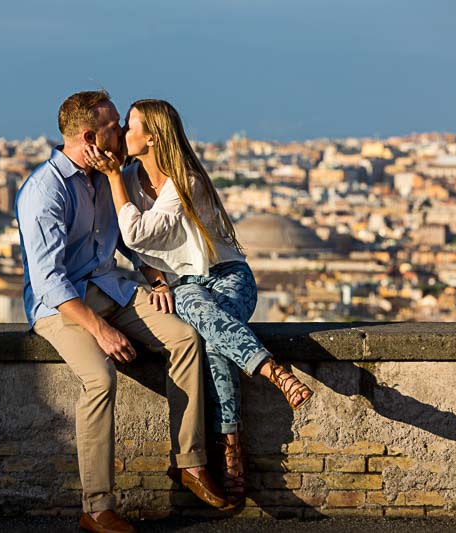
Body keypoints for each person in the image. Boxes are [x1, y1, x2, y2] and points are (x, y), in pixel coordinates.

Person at [15, 90, 228, 533]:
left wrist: (152, 277)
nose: (123, 134)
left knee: (185, 338)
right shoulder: (44, 190)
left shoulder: (112, 178)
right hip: (63, 306)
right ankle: (97, 507)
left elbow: (130, 243)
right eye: (116, 127)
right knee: (99, 378)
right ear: (91, 136)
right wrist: (101, 331)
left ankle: (189, 461)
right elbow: (49, 281)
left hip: (111, 288)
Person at [84, 99, 314, 506]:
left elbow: (137, 233)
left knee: (206, 325)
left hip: (229, 278)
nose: (121, 134)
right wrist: (155, 278)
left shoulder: (184, 181)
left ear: (152, 137)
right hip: (185, 285)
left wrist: (113, 177)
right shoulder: (130, 180)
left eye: (130, 127)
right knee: (208, 336)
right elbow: (131, 242)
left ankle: (230, 450)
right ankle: (269, 376)